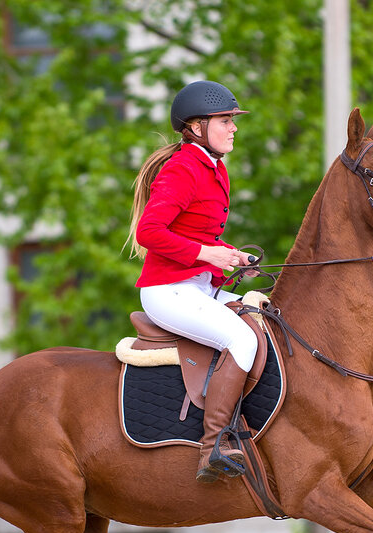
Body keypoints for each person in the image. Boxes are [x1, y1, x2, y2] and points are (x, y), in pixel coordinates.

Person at [127, 80, 258, 483]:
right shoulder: (184, 168)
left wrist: (231, 254)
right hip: (168, 292)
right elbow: (150, 232)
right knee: (243, 340)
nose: (233, 128)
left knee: (260, 319)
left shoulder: (215, 168)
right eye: (225, 121)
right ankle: (214, 444)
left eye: (233, 121)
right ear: (197, 127)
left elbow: (202, 235)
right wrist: (206, 254)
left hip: (198, 286)